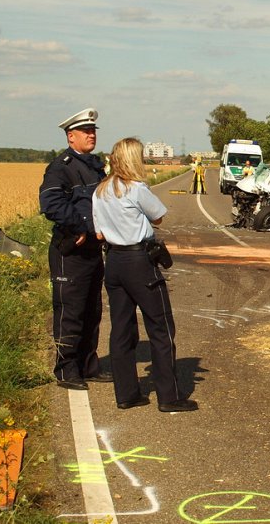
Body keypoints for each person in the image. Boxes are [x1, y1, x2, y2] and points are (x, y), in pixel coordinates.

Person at [93, 138, 198, 412]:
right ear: (132, 160)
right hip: (139, 260)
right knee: (161, 328)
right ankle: (169, 396)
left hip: (113, 261)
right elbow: (159, 216)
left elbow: (99, 232)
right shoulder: (136, 189)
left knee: (121, 329)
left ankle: (127, 393)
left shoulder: (100, 191)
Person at [39, 108, 111, 390]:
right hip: (71, 250)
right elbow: (51, 204)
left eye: (93, 131)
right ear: (71, 137)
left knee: (92, 311)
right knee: (70, 311)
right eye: (86, 132)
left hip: (93, 250)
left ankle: (88, 365)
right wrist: (81, 227)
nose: (91, 135)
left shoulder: (94, 165)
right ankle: (66, 370)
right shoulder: (61, 167)